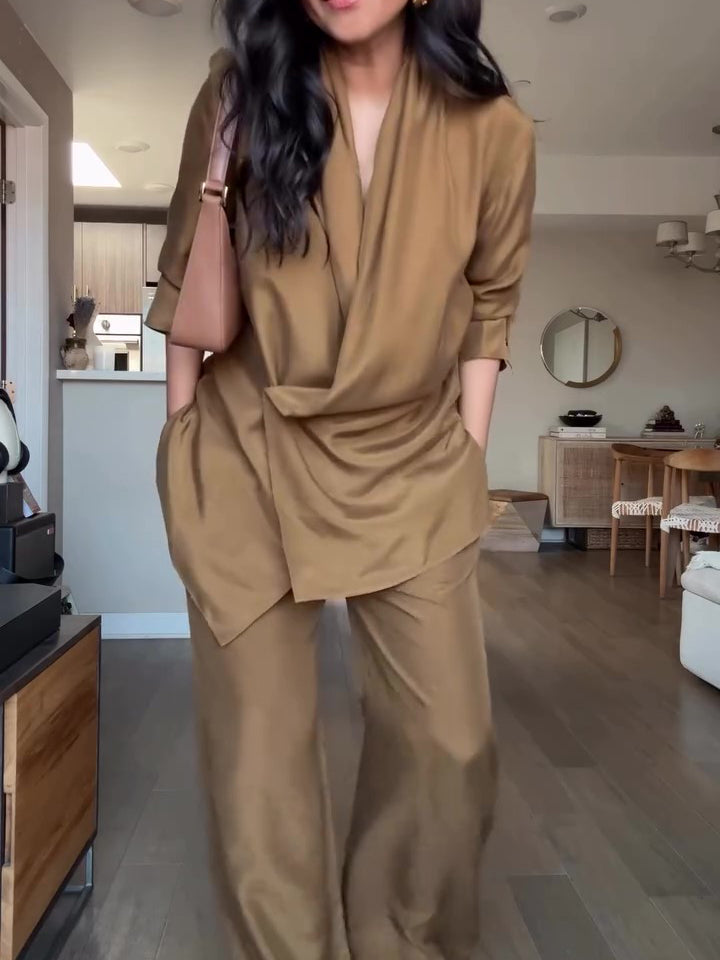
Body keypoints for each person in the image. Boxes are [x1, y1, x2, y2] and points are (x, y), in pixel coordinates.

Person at [146, 0, 535, 956]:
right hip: (246, 453)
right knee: (258, 773)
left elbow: (490, 304)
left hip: (410, 459)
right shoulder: (238, 91)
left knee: (451, 747)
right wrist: (181, 442)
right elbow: (185, 269)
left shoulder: (495, 130)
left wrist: (468, 452)